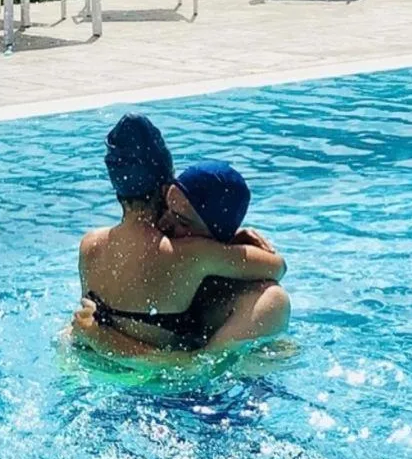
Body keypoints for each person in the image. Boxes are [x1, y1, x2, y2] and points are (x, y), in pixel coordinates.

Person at [72, 114, 291, 360]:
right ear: (166, 188)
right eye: (171, 210)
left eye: (182, 220)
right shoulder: (192, 255)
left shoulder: (89, 244)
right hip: (161, 382)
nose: (167, 222)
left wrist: (97, 336)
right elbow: (278, 266)